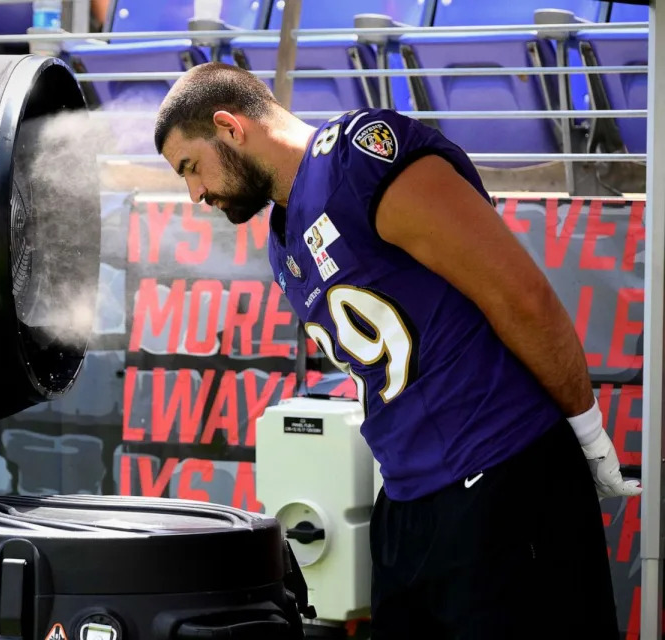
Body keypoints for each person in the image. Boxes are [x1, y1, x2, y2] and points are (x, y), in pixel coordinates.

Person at [153, 61, 641, 639]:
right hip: (407, 502)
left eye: (191, 167)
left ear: (231, 127)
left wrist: (585, 430)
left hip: (499, 474)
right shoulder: (283, 236)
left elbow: (521, 294)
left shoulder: (359, 157)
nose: (195, 193)